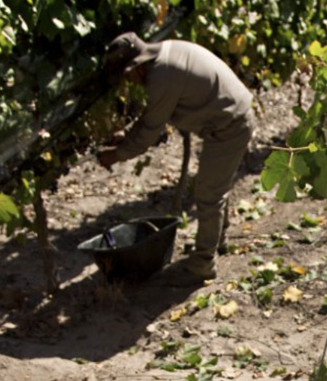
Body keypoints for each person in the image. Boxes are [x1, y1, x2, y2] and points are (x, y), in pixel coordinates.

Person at [98, 32, 256, 286]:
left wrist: (116, 155)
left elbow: (150, 131)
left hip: (230, 126)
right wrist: (126, 135)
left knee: (208, 193)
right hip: (231, 117)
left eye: (128, 76)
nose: (130, 82)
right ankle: (218, 241)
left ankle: (203, 265)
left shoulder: (161, 76)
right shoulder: (166, 53)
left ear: (137, 66)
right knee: (213, 187)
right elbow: (155, 116)